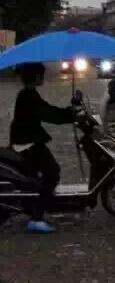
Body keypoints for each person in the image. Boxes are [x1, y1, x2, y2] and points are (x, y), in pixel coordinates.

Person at [10, 63, 75, 234]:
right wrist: (70, 115)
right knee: (52, 172)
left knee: (42, 175)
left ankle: (40, 207)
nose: (43, 78)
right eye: (42, 75)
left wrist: (68, 112)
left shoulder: (28, 94)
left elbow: (47, 109)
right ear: (37, 77)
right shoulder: (28, 96)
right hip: (27, 144)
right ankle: (36, 218)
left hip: (27, 141)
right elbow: (48, 114)